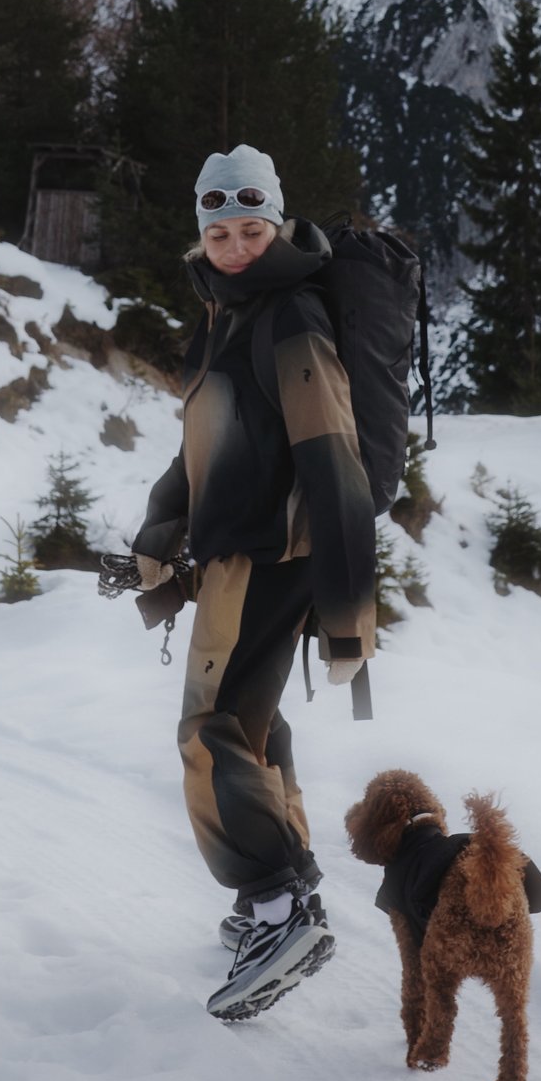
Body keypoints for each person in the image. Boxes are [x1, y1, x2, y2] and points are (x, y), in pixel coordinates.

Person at [131, 144, 377, 1021]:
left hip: (270, 561)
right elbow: (202, 440)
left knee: (213, 730)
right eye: (220, 232)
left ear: (275, 223)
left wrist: (349, 612)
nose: (235, 246)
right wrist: (161, 526)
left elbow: (335, 463)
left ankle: (276, 903)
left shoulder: (291, 317)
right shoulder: (225, 313)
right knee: (254, 726)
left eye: (250, 229)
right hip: (236, 557)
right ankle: (285, 887)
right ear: (202, 234)